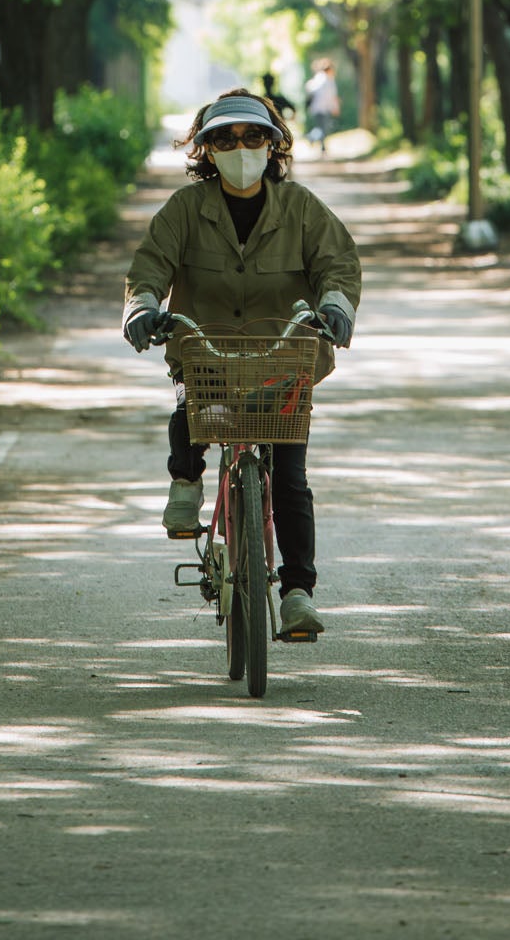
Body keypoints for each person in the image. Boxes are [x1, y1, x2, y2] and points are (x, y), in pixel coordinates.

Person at [122, 87, 361, 639]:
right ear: (206, 149)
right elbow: (150, 264)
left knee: (292, 479)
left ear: (273, 144)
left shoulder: (301, 207)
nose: (241, 147)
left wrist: (336, 307)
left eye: (254, 136)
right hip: (206, 353)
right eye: (225, 138)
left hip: (283, 360)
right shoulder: (185, 209)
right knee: (189, 407)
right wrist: (141, 309)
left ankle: (297, 592)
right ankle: (186, 483)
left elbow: (338, 264)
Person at [304, 58, 340, 153]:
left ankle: (322, 146)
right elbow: (332, 96)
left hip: (317, 108)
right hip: (322, 108)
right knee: (323, 128)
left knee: (322, 127)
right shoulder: (328, 80)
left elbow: (309, 88)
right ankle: (312, 137)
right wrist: (335, 107)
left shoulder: (318, 78)